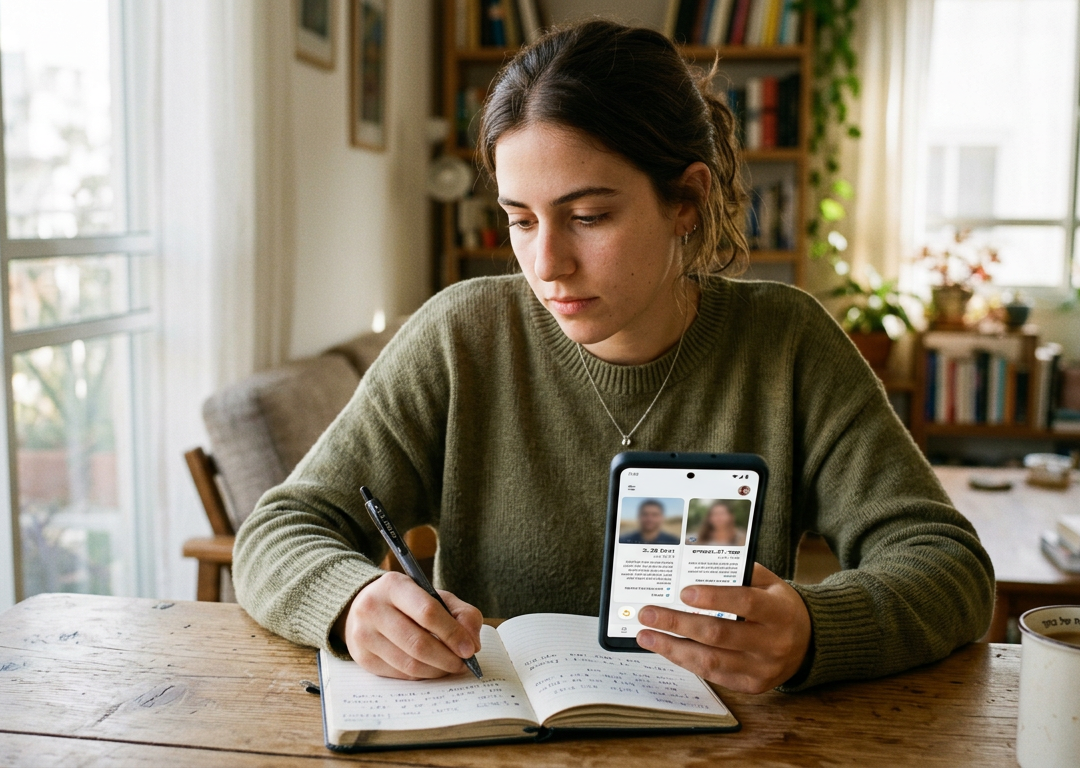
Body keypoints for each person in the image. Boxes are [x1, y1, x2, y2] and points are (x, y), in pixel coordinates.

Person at [233, 20, 994, 695]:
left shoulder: (786, 344)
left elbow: (948, 568)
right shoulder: (461, 337)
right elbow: (278, 530)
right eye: (520, 220)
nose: (548, 263)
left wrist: (813, 628)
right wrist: (351, 600)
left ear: (686, 201)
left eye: (588, 216)